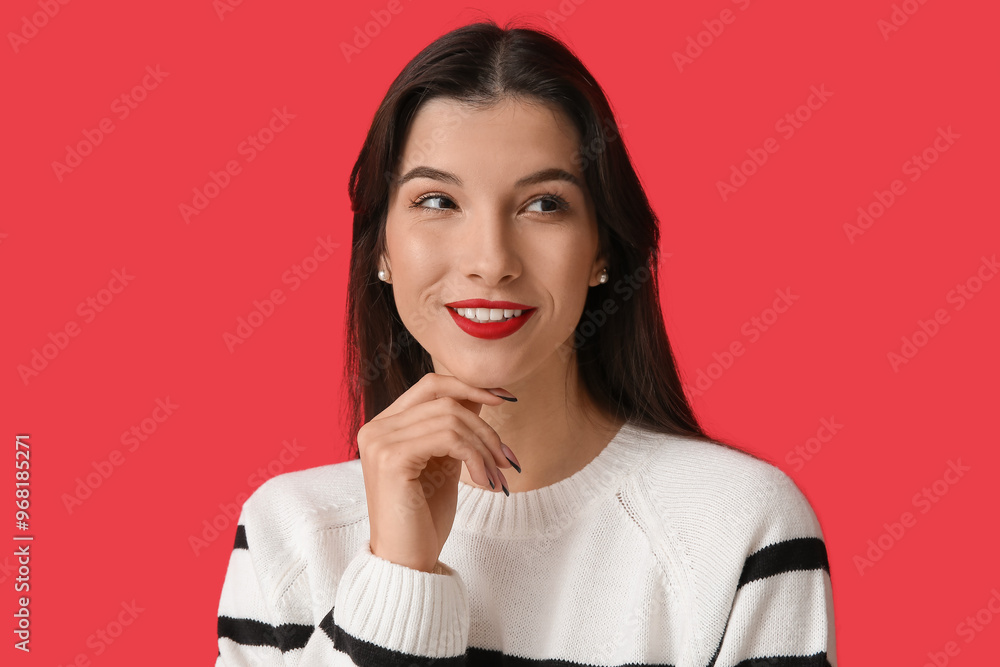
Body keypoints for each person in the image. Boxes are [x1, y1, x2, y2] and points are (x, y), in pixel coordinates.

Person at [214, 18, 836, 666]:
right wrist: (397, 573)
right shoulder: (288, 533)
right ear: (381, 249)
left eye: (543, 205)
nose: (491, 260)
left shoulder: (739, 528)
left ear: (602, 248)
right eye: (437, 200)